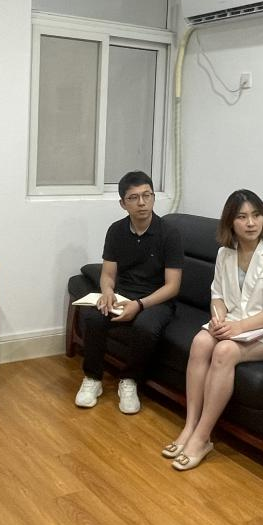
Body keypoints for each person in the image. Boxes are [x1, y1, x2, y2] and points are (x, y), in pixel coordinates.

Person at [164, 189, 263, 471]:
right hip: (235, 323)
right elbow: (218, 295)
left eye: (256, 215)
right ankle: (189, 426)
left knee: (225, 351)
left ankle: (202, 437)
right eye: (242, 217)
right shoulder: (225, 253)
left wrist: (237, 327)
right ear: (230, 222)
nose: (251, 223)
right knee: (201, 342)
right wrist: (218, 319)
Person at [75, 171, 184, 414]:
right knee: (93, 316)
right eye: (133, 198)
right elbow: (108, 274)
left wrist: (140, 305)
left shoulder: (169, 234)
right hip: (123, 294)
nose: (142, 203)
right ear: (123, 204)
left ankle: (130, 380)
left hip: (157, 299)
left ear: (153, 197)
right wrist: (107, 292)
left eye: (147, 195)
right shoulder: (116, 231)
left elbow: (172, 286)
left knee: (145, 327)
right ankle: (93, 378)